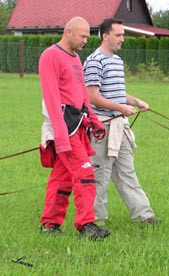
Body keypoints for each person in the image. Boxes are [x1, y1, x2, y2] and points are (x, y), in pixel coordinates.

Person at [83, 18, 160, 226]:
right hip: (102, 127)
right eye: (118, 35)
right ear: (105, 36)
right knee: (100, 176)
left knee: (127, 172)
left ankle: (144, 216)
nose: (122, 39)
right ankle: (95, 220)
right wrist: (121, 108)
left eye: (123, 35)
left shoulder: (117, 61)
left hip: (120, 127)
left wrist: (135, 101)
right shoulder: (94, 61)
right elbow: (93, 97)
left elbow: (117, 93)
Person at [38, 17, 110, 240]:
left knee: (62, 178)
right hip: (64, 127)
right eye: (83, 36)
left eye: (88, 36)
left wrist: (93, 119)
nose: (86, 41)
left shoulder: (76, 58)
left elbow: (80, 93)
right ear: (68, 32)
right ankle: (86, 225)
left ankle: (49, 225)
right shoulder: (50, 56)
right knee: (85, 173)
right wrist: (60, 136)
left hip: (77, 125)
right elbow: (51, 97)